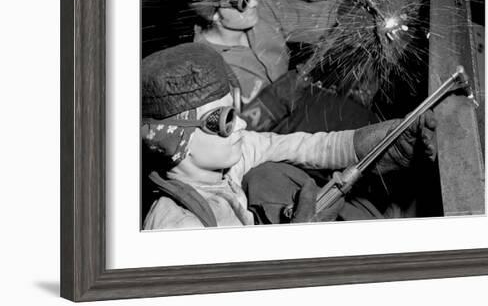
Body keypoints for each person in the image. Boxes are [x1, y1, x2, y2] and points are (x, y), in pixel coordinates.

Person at [141, 43, 437, 229]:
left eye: (236, 111)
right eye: (225, 120)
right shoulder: (179, 226)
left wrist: (394, 139)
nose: (242, 125)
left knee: (268, 177)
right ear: (175, 141)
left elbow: (307, 146)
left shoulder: (227, 165)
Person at [170, 0, 377, 134]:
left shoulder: (265, 11)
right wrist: (271, 101)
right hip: (260, 154)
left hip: (301, 117)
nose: (254, 3)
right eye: (242, 1)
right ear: (213, 13)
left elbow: (318, 17)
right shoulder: (202, 69)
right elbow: (226, 142)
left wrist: (353, 11)